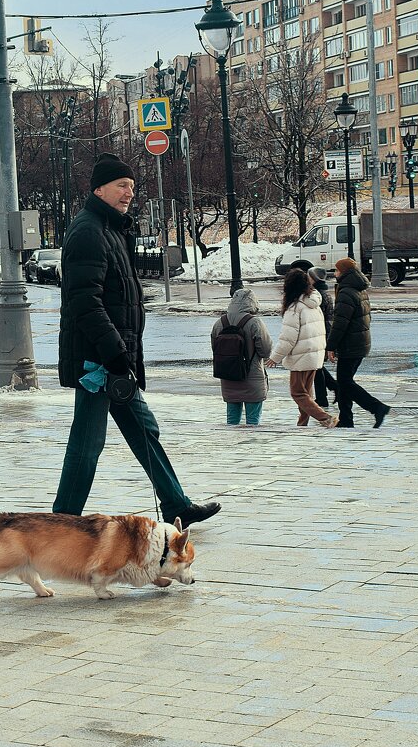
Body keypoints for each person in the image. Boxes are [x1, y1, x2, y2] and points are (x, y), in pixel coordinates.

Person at [53, 153, 219, 528]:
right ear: (99, 189)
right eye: (121, 185)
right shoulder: (88, 231)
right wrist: (113, 352)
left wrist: (121, 353)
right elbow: (84, 301)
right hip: (98, 360)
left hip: (114, 358)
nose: (129, 192)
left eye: (131, 186)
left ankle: (176, 504)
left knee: (144, 429)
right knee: (87, 444)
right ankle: (61, 523)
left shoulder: (111, 229)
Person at [266, 268, 337, 428]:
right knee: (306, 394)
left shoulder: (295, 307)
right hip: (314, 354)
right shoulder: (313, 303)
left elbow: (288, 339)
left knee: (297, 392)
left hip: (301, 356)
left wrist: (274, 357)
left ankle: (326, 418)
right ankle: (302, 424)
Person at [326, 257, 390, 429]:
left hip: (350, 344)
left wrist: (330, 346)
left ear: (344, 272)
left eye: (337, 270)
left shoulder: (346, 292)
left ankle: (377, 407)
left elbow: (340, 324)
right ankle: (346, 419)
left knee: (345, 382)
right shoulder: (359, 289)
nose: (335, 273)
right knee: (344, 382)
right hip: (359, 342)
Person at [211, 288, 272, 426]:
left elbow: (215, 349)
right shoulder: (255, 322)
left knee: (231, 423)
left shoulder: (220, 323)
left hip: (228, 377)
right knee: (253, 423)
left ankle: (232, 446)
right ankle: (250, 447)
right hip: (252, 378)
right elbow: (265, 351)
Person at [309, 266, 338, 408]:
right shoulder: (322, 291)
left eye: (309, 277)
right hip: (324, 331)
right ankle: (332, 389)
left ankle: (323, 397)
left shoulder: (318, 294)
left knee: (316, 366)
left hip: (321, 332)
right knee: (317, 366)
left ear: (314, 279)